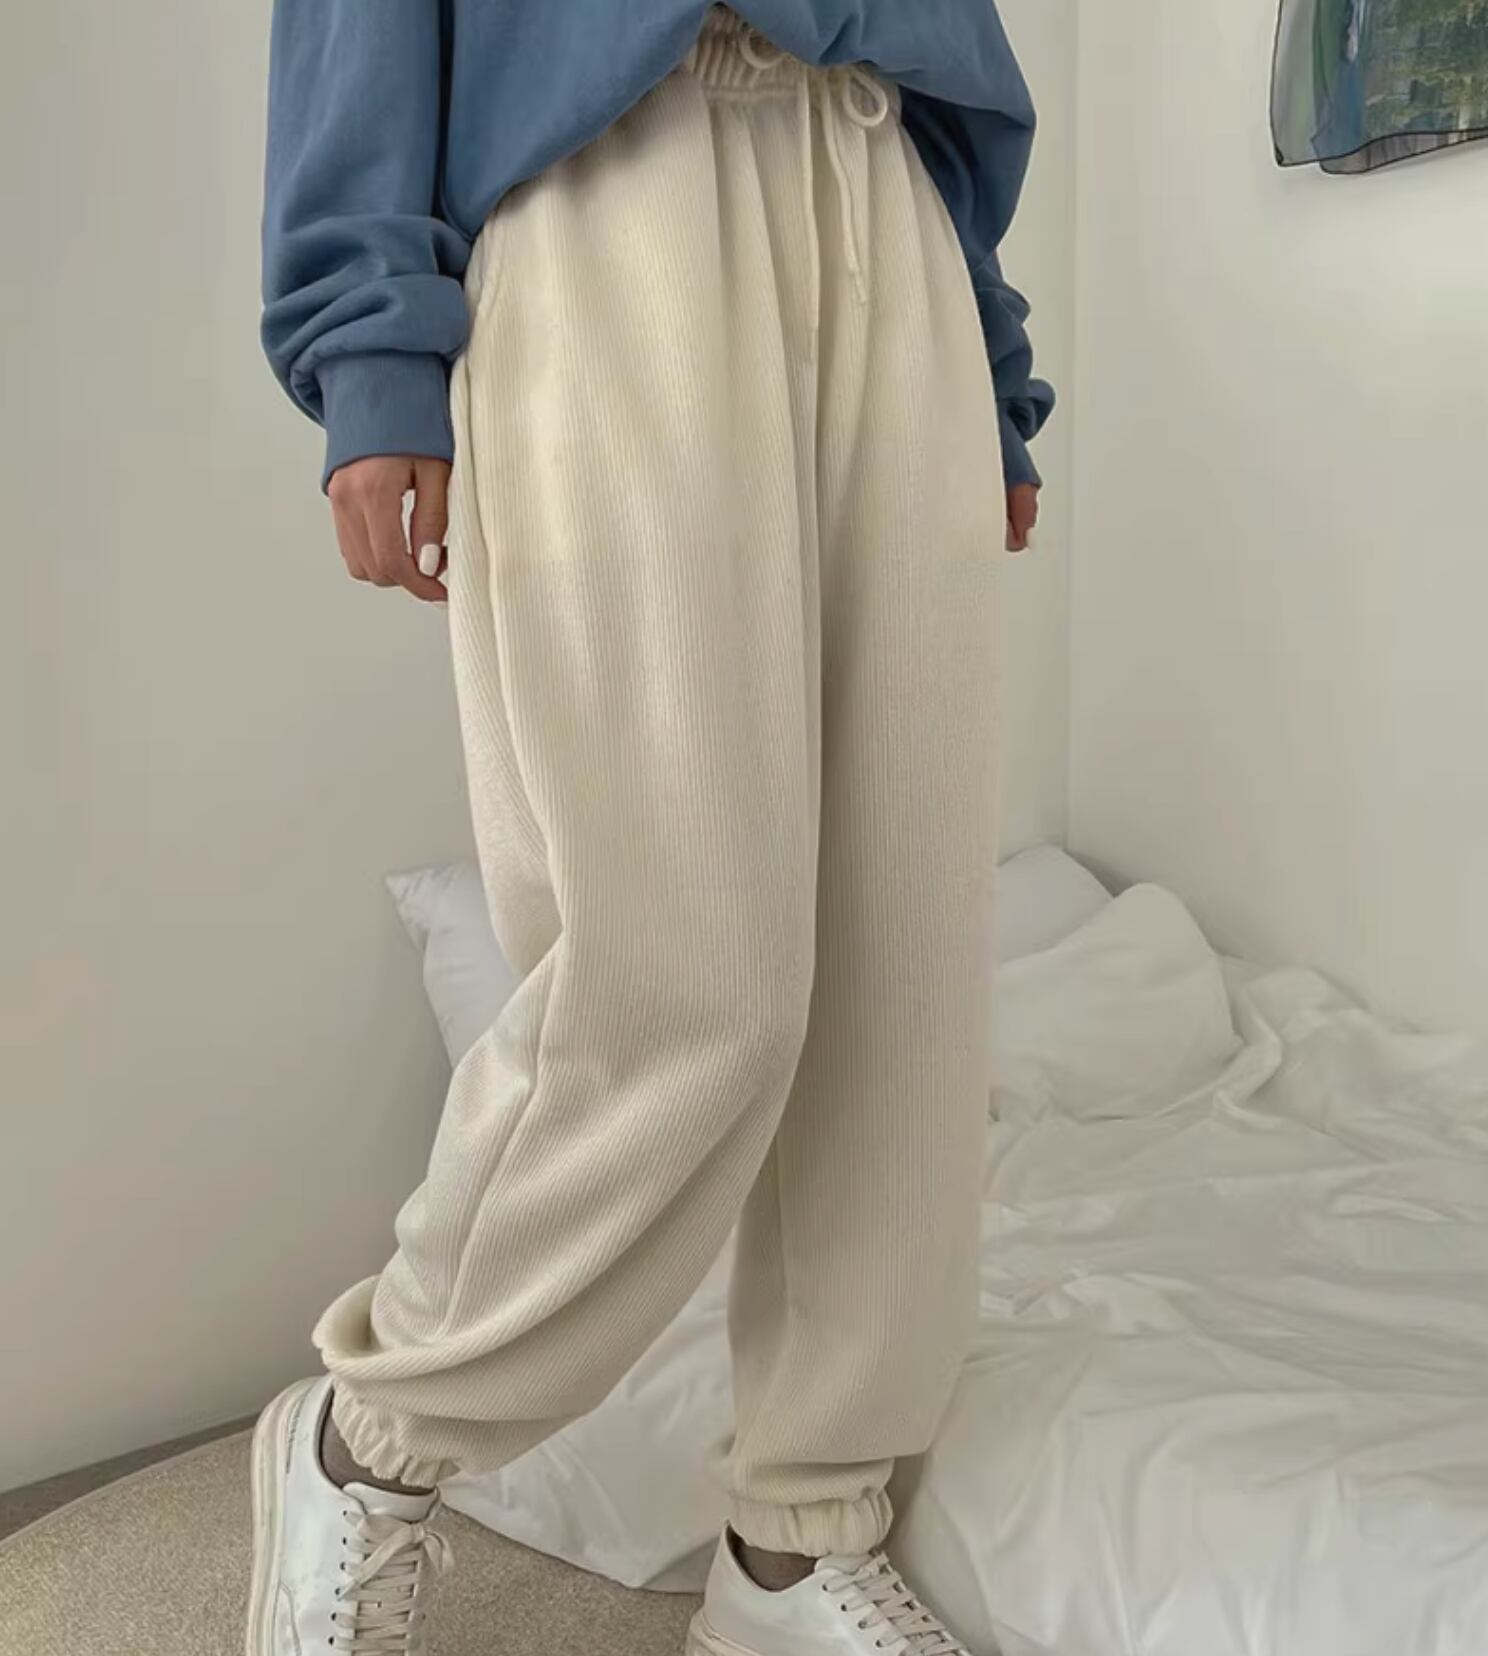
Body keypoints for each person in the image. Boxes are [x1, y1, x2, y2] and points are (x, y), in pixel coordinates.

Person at [250, 4, 1053, 1653]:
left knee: (898, 972)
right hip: (611, 185)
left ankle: (799, 1543)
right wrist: (372, 346)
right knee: (688, 978)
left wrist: (986, 358)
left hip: (888, 194)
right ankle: (370, 1442)